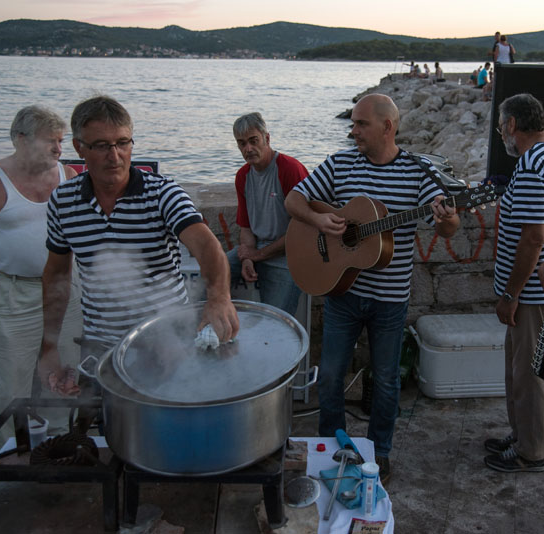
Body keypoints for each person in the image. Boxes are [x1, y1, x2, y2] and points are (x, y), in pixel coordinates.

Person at [285, 93, 459, 483]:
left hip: (390, 299)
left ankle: (379, 452)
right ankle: (332, 447)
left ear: (387, 126)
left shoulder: (417, 171)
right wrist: (321, 218)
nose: (353, 130)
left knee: (386, 379)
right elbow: (293, 199)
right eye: (353, 123)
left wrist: (448, 217)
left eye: (361, 123)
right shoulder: (341, 162)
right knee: (329, 376)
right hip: (342, 294)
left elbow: (448, 227)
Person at [38, 95, 239, 395]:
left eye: (123, 143)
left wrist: (219, 297)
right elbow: (56, 276)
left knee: (172, 422)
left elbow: (207, 246)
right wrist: (49, 345)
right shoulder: (63, 201)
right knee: (113, 428)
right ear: (79, 148)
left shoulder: (162, 193)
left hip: (168, 341)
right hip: (101, 346)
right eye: (102, 145)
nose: (115, 155)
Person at [0, 105, 83, 453]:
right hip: (13, 294)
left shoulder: (68, 175)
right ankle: (7, 457)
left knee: (67, 374)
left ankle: (61, 447)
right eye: (50, 141)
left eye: (61, 140)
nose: (59, 149)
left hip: (66, 289)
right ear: (20, 139)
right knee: (11, 384)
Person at [484, 93, 544, 473]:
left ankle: (531, 453)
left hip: (532, 293)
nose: (501, 134)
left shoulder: (533, 165)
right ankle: (521, 434)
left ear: (511, 126)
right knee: (518, 368)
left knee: (529, 373)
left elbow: (532, 238)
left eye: (500, 126)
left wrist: (511, 293)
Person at [229, 112, 308, 316]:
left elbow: (303, 231)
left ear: (267, 138)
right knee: (212, 272)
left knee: (275, 319)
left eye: (253, 141)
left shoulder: (290, 169)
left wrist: (257, 255)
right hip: (257, 249)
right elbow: (246, 227)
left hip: (289, 255)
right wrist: (247, 257)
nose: (248, 148)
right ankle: (210, 332)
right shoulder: (243, 176)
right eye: (242, 143)